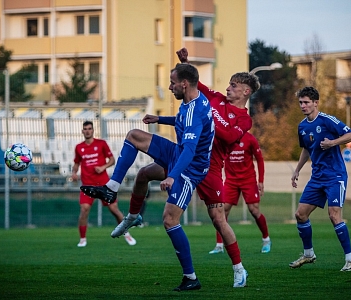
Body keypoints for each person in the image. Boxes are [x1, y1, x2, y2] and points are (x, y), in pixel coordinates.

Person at [101, 48, 260, 288]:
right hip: (185, 158)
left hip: (210, 169)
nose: (228, 88)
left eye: (234, 86)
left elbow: (226, 136)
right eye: (228, 84)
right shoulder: (213, 99)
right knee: (144, 174)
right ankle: (132, 216)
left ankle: (238, 268)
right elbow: (194, 88)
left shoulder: (243, 119)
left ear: (245, 92)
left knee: (218, 220)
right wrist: (184, 66)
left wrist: (206, 119)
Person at [81, 63, 214, 291]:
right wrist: (159, 120)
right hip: (177, 153)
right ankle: (118, 197)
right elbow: (184, 121)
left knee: (170, 220)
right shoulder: (191, 102)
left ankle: (191, 278)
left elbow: (191, 150)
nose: (169, 87)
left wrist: (172, 176)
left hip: (189, 168)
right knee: (135, 141)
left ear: (184, 84)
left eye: (172, 83)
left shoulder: (195, 110)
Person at [290, 86, 351, 272]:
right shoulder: (302, 126)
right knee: (300, 214)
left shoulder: (327, 121)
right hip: (317, 177)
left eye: (306, 102)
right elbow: (306, 149)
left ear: (315, 103)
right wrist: (297, 170)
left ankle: (350, 260)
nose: (303, 106)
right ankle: (309, 254)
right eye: (301, 103)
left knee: (334, 215)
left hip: (335, 175)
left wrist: (333, 143)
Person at [71, 121, 136, 247]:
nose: (87, 131)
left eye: (89, 128)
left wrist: (102, 167)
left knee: (114, 210)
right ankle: (82, 239)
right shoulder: (79, 147)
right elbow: (76, 163)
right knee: (84, 210)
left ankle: (126, 233)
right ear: (82, 131)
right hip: (88, 185)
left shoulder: (101, 144)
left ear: (93, 130)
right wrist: (73, 172)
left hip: (103, 184)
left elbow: (112, 160)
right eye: (85, 129)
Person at [209, 131, 271, 254]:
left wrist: (261, 181)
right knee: (221, 209)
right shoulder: (226, 138)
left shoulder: (250, 139)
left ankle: (266, 239)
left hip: (248, 180)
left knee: (254, 210)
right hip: (231, 180)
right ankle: (219, 245)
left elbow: (259, 159)